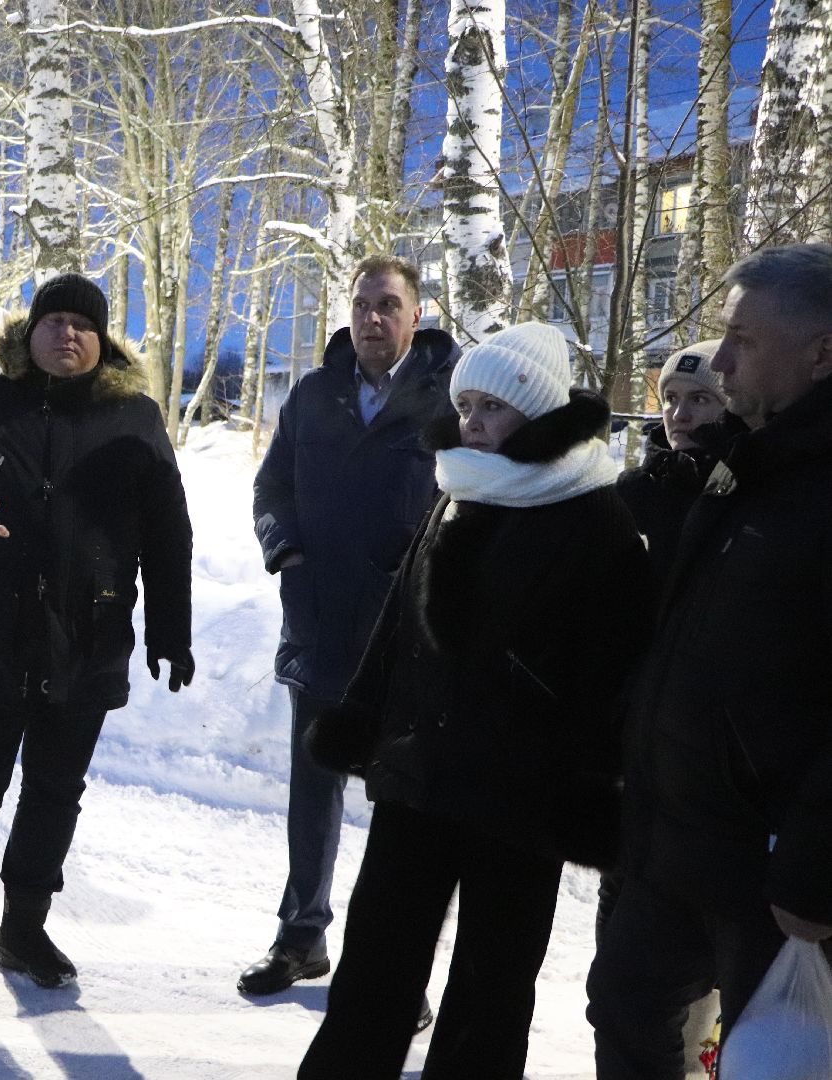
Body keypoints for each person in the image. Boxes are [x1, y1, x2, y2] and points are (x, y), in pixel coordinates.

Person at [297, 322, 651, 1079]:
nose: (474, 422)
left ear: (540, 411)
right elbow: (400, 622)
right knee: (374, 969)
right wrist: (361, 716)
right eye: (468, 404)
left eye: (495, 406)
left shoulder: (596, 515)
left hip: (522, 797)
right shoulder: (457, 486)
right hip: (418, 776)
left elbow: (611, 668)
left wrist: (589, 787)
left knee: (491, 989)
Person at [0, 272, 193, 1009]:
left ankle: (23, 930)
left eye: (83, 324)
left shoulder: (135, 419)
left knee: (56, 792)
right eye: (53, 321)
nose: (68, 334)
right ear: (28, 336)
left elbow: (168, 535)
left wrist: (171, 631)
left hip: (89, 639)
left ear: (103, 341)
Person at [588, 243, 832, 1076]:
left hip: (772, 875)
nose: (721, 364)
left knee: (769, 1056)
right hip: (673, 840)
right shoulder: (743, 466)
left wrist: (811, 867)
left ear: (821, 353)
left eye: (742, 343)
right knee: (623, 1007)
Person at [238, 255, 459, 1013]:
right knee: (314, 788)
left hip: (412, 636)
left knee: (407, 805)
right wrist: (288, 554)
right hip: (324, 622)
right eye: (362, 304)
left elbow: (475, 503)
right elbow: (271, 488)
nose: (372, 317)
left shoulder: (452, 399)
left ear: (415, 314)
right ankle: (301, 938)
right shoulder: (313, 395)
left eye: (388, 305)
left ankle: (399, 968)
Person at [614, 340, 748, 581]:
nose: (679, 415)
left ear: (731, 409)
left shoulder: (750, 491)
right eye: (670, 398)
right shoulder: (631, 491)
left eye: (698, 399)